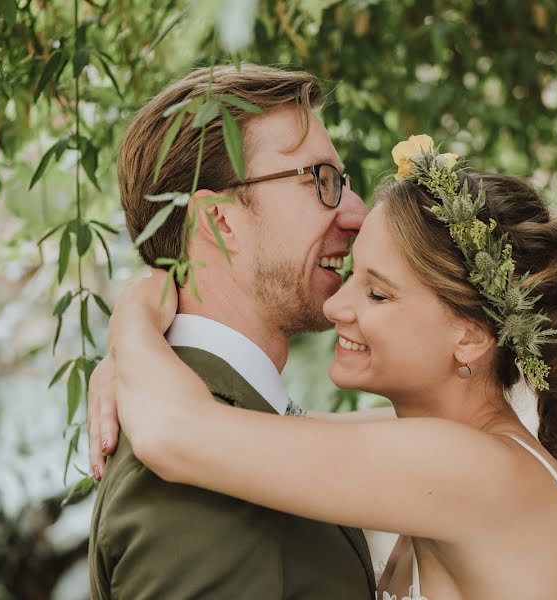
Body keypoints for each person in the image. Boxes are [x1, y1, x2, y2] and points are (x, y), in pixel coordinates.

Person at [91, 135, 557, 599]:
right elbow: (262, 423)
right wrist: (137, 364)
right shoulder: (448, 444)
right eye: (351, 278)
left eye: (378, 294)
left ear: (470, 337)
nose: (336, 307)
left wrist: (134, 318)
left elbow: (172, 435)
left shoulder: (470, 468)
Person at [87, 64, 377, 599]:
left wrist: (130, 335)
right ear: (219, 223)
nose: (356, 214)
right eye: (320, 181)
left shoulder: (225, 426)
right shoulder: (187, 488)